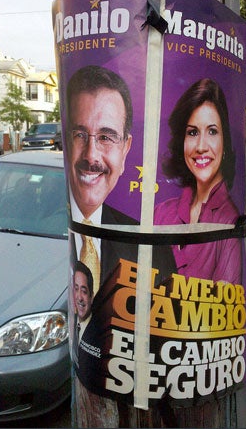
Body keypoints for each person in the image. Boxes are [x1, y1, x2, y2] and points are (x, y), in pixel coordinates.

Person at [65, 65, 177, 428]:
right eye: (80, 134)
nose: (92, 155)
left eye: (107, 137)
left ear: (127, 148)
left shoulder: (151, 250)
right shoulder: (64, 230)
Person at [154, 78, 242, 285]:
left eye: (212, 131)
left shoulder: (230, 222)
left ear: (225, 139)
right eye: (192, 132)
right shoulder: (162, 212)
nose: (201, 146)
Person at [72, 260, 94, 366]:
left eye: (84, 291)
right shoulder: (72, 323)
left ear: (91, 297)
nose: (79, 297)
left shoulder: (97, 332)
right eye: (76, 289)